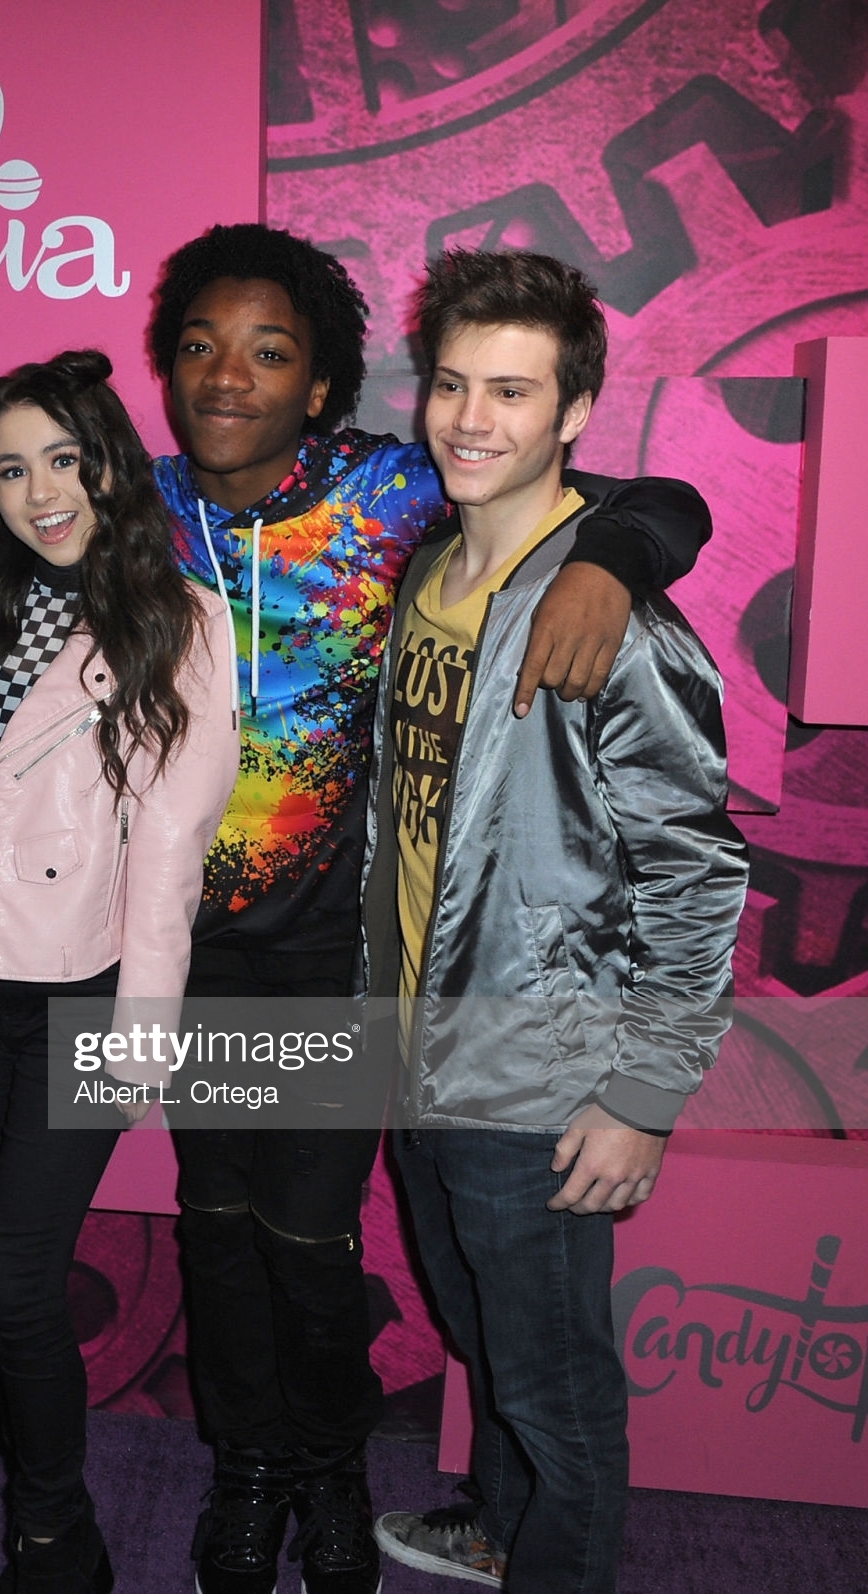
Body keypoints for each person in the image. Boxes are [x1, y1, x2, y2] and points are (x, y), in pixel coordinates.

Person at [0, 223, 713, 1594]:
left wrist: (611, 556)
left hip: (324, 959)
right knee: (215, 1225)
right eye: (201, 346)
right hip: (187, 953)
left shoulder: (399, 489)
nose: (227, 376)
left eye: (268, 351)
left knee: (307, 1241)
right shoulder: (128, 498)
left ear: (320, 381)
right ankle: (249, 1470)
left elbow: (646, 497)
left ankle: (329, 1474)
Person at [367, 249, 745, 1593]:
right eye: (452, 384)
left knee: (553, 1381)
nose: (470, 419)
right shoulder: (427, 569)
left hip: (538, 1064)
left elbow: (693, 869)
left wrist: (642, 1092)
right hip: (411, 1044)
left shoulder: (609, 616)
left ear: (573, 412)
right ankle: (498, 1524)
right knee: (482, 1329)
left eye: (511, 391)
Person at [0, 350, 238, 1594]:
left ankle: (54, 1532)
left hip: (83, 996)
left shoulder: (180, 620)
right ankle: (43, 1504)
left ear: (110, 465)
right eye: (9, 469)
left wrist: (141, 1035)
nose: (39, 491)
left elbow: (170, 851)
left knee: (13, 1281)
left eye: (63, 459)